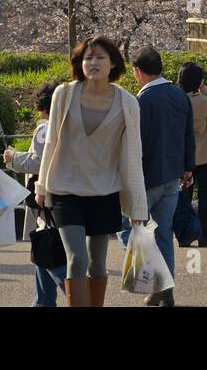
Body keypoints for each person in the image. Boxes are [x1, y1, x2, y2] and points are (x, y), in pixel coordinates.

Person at [37, 38, 148, 308]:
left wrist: (138, 205)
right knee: (77, 259)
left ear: (113, 63)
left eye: (100, 57)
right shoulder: (64, 94)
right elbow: (51, 141)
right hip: (65, 189)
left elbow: (133, 155)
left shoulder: (127, 103)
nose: (93, 63)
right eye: (87, 58)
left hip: (104, 191)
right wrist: (42, 186)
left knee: (97, 264)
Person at [128, 44, 194, 306]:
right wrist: (188, 168)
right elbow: (188, 135)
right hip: (172, 176)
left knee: (137, 233)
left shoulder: (141, 101)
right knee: (164, 233)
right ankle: (164, 289)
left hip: (146, 178)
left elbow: (135, 144)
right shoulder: (179, 95)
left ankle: (156, 285)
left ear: (138, 72)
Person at [4, 80, 67, 306]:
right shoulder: (68, 125)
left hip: (45, 198)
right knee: (43, 250)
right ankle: (41, 303)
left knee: (49, 249)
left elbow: (39, 162)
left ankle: (77, 296)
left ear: (42, 106)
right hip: (64, 195)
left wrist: (13, 158)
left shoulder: (44, 128)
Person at [179, 62, 207, 248]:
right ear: (198, 81)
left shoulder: (177, 100)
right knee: (205, 196)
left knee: (184, 196)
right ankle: (204, 235)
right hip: (206, 155)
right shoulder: (201, 101)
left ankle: (184, 235)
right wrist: (203, 88)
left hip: (184, 156)